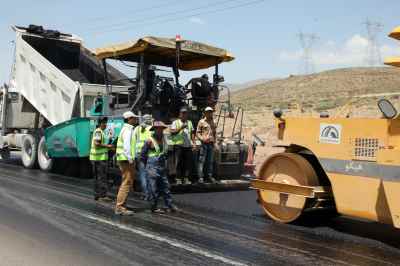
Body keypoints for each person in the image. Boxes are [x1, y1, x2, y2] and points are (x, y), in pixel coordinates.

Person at [141, 121, 178, 213]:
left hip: (162, 166)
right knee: (153, 188)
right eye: (158, 129)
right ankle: (153, 206)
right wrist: (147, 166)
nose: (160, 130)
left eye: (161, 129)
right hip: (152, 166)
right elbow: (142, 155)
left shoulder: (165, 139)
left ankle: (169, 204)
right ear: (155, 129)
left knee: (165, 186)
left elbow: (168, 152)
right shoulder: (149, 141)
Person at [115, 111, 139, 215]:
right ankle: (120, 207)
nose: (135, 119)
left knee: (126, 182)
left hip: (124, 159)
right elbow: (127, 146)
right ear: (129, 119)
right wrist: (130, 159)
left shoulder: (126, 129)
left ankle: (121, 205)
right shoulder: (128, 130)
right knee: (126, 183)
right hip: (126, 160)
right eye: (133, 118)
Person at [90, 117, 114, 202]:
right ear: (100, 123)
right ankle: (102, 196)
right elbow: (96, 143)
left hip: (97, 158)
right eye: (104, 123)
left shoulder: (101, 132)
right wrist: (108, 146)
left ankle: (97, 195)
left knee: (98, 177)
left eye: (106, 123)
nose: (105, 124)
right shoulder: (98, 131)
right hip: (99, 159)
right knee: (102, 177)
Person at [170, 107, 195, 185]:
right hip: (179, 146)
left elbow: (192, 133)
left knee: (187, 163)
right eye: (182, 113)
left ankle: (186, 178)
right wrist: (181, 128)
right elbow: (172, 132)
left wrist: (193, 143)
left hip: (188, 146)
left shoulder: (189, 122)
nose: (184, 115)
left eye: (185, 113)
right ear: (179, 114)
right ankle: (178, 178)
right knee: (178, 163)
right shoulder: (175, 122)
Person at [133, 114, 153, 200]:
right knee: (149, 175)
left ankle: (145, 194)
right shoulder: (152, 128)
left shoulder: (137, 128)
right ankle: (150, 193)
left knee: (142, 175)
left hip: (139, 154)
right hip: (149, 154)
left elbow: (133, 140)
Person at [196, 107, 217, 183]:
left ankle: (209, 176)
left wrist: (215, 142)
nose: (210, 113)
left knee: (210, 161)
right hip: (204, 144)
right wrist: (202, 139)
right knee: (201, 161)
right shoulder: (201, 122)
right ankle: (201, 177)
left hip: (211, 144)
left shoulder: (214, 121)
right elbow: (197, 132)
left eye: (211, 112)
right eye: (208, 112)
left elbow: (214, 133)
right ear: (205, 113)